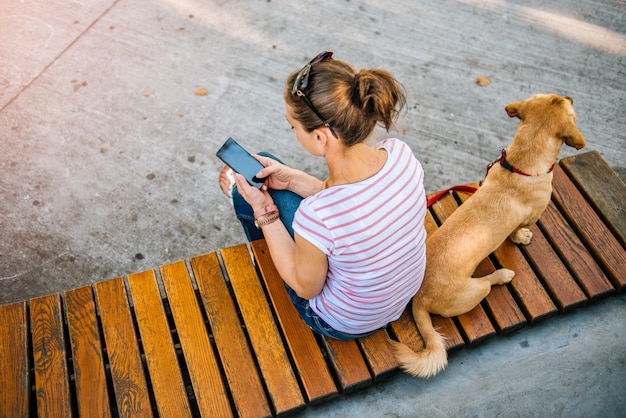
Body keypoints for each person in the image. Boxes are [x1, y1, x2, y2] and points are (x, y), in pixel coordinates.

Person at [219, 51, 427, 340]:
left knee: (247, 194)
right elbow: (353, 204)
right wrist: (291, 179)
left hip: (344, 323)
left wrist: (265, 213)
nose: (293, 132)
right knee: (267, 170)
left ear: (319, 137)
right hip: (398, 297)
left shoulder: (317, 215)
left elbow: (307, 288)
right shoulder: (401, 155)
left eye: (294, 127)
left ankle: (267, 259)